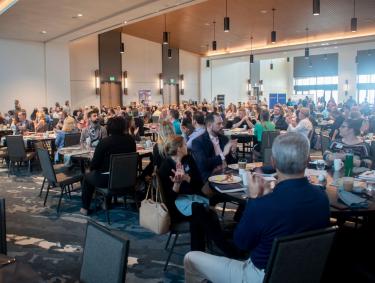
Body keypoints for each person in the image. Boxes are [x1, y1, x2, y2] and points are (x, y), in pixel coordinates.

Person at [184, 133, 330, 283]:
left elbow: (241, 244)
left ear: (273, 162)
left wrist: (253, 200)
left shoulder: (263, 204)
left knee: (191, 258)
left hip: (263, 276)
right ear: (307, 161)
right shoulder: (322, 198)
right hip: (306, 273)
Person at [80, 116, 136, 215]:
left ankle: (85, 208)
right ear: (124, 127)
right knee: (107, 171)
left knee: (87, 177)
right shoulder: (131, 141)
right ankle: (106, 202)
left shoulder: (104, 142)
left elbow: (95, 164)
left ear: (108, 128)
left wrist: (90, 169)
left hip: (108, 179)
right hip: (127, 178)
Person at [158, 135, 204, 224]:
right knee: (198, 209)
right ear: (179, 149)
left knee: (207, 213)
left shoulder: (188, 159)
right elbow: (168, 199)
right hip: (176, 205)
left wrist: (187, 178)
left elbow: (200, 185)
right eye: (185, 145)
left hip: (192, 197)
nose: (187, 146)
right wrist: (177, 184)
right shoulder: (165, 167)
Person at [191, 112, 237, 182]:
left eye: (222, 123)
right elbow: (203, 164)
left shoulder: (224, 139)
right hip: (211, 177)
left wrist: (233, 152)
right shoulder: (198, 142)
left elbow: (232, 162)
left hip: (227, 174)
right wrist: (223, 154)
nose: (222, 126)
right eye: (219, 124)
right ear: (209, 125)